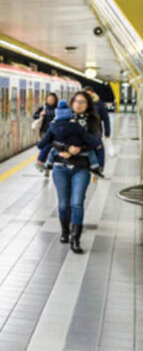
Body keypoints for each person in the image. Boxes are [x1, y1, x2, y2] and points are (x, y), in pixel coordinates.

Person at [39, 91, 101, 254]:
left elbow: (95, 143)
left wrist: (76, 151)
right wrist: (59, 151)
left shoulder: (92, 122)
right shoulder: (60, 120)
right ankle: (65, 232)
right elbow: (50, 140)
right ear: (71, 103)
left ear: (88, 105)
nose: (79, 105)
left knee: (77, 203)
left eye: (82, 102)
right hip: (60, 167)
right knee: (63, 204)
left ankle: (75, 239)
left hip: (81, 167)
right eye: (76, 101)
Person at [39, 100, 103, 176]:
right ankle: (95, 166)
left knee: (52, 152)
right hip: (77, 150)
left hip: (60, 151)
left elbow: (46, 140)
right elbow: (87, 136)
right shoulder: (75, 125)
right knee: (91, 153)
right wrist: (97, 143)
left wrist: (40, 145)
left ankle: (49, 163)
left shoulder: (53, 126)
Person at [34, 92, 60, 172]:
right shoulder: (43, 108)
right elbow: (34, 115)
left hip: (55, 132)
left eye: (52, 99)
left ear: (55, 100)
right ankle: (42, 164)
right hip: (45, 131)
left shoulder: (58, 108)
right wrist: (40, 114)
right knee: (47, 146)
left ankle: (41, 163)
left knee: (49, 148)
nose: (50, 101)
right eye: (49, 99)